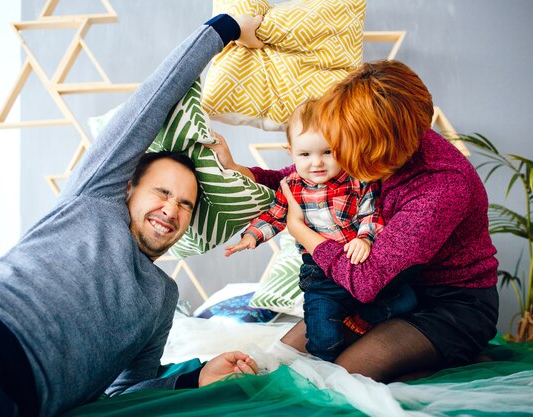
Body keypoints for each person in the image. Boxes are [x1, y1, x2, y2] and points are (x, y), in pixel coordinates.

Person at [0, 13, 264, 417]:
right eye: (162, 192)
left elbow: (129, 390)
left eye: (185, 204)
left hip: (2, 400)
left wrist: (193, 378)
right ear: (129, 188)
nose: (171, 210)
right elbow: (151, 103)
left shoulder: (162, 299)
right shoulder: (95, 197)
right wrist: (225, 27)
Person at [208, 59, 499, 383]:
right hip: (387, 291)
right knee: (280, 361)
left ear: (380, 145)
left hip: (448, 306)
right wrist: (237, 168)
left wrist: (300, 230)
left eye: (346, 143)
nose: (340, 154)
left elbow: (365, 280)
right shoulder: (370, 145)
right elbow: (298, 181)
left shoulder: (441, 186)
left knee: (339, 379)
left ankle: (448, 359)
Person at [223, 100, 417, 362]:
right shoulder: (290, 186)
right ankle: (326, 362)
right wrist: (251, 236)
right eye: (305, 155)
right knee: (321, 332)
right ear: (291, 152)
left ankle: (366, 316)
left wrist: (364, 238)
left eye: (327, 152)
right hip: (320, 273)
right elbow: (276, 216)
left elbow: (371, 213)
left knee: (406, 298)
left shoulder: (358, 179)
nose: (317, 163)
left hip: (357, 261)